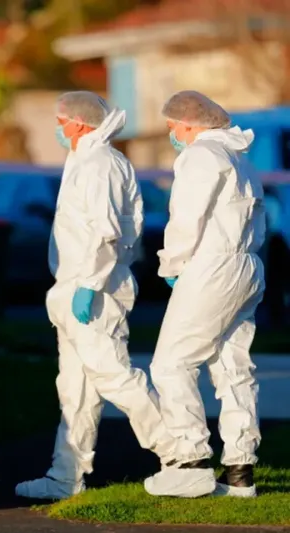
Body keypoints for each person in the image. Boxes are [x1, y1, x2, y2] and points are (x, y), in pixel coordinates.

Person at [15, 92, 175, 500]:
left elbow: (108, 232)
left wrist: (89, 284)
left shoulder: (99, 164)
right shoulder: (86, 159)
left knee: (114, 375)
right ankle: (65, 474)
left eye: (60, 120)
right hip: (75, 286)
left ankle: (180, 453)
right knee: (75, 387)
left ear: (80, 124)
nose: (57, 127)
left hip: (95, 288)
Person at [145, 91, 265, 499]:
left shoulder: (199, 157)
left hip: (211, 266)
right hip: (247, 265)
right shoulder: (241, 159)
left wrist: (171, 265)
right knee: (232, 367)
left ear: (191, 124)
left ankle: (191, 462)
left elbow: (186, 218)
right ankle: (239, 472)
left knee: (170, 364)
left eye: (173, 127)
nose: (172, 134)